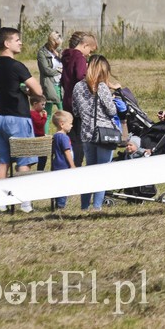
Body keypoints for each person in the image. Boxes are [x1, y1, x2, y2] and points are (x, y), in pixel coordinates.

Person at [0, 27, 43, 213]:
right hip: (18, 119)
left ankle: (0, 202)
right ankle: (25, 204)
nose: (20, 42)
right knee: (24, 162)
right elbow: (38, 91)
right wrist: (28, 91)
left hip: (2, 118)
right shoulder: (17, 66)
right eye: (17, 39)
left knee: (3, 161)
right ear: (7, 43)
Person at [71, 55, 118, 212]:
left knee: (89, 170)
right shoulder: (102, 87)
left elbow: (76, 111)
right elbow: (112, 111)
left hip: (86, 133)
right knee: (102, 171)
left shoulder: (77, 87)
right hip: (104, 133)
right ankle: (97, 206)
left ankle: (84, 206)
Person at [61, 31, 98, 167]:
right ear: (85, 45)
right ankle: (76, 165)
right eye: (90, 51)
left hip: (67, 102)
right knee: (79, 139)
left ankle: (68, 161)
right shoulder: (79, 57)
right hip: (78, 103)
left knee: (71, 136)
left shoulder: (67, 56)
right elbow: (81, 75)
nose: (89, 54)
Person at [37, 30, 63, 135]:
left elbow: (65, 63)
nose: (58, 46)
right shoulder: (42, 53)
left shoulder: (59, 51)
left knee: (63, 113)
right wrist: (58, 71)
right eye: (56, 44)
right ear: (52, 42)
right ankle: (45, 136)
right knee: (47, 113)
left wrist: (58, 55)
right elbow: (45, 70)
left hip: (60, 85)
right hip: (49, 85)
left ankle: (64, 135)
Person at [50, 110, 77, 209]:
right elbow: (67, 152)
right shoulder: (64, 138)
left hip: (56, 165)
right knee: (64, 186)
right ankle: (61, 205)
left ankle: (57, 203)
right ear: (62, 124)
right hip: (64, 165)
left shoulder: (55, 136)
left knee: (57, 185)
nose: (72, 126)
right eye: (70, 123)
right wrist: (72, 165)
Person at [29, 94, 48, 170]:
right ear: (35, 104)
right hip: (38, 136)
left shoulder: (32, 113)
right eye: (42, 104)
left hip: (35, 135)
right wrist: (44, 117)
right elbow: (40, 124)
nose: (44, 107)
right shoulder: (34, 114)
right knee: (43, 156)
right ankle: (40, 170)